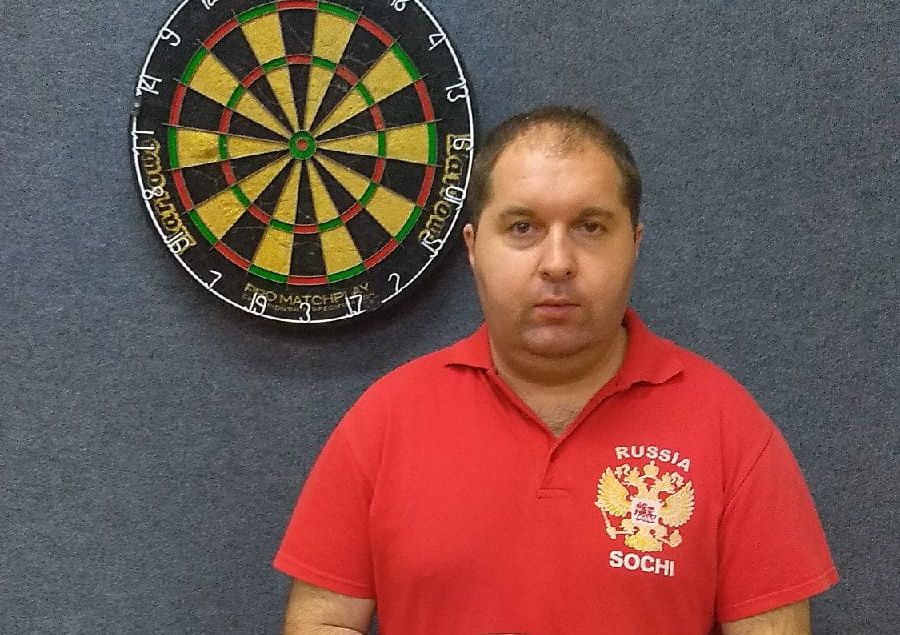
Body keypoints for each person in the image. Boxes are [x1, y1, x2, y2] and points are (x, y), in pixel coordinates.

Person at [273, 106, 837, 635]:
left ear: (634, 244)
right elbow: (323, 621)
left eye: (591, 227)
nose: (558, 263)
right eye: (523, 227)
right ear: (473, 247)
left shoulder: (727, 427)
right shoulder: (386, 420)